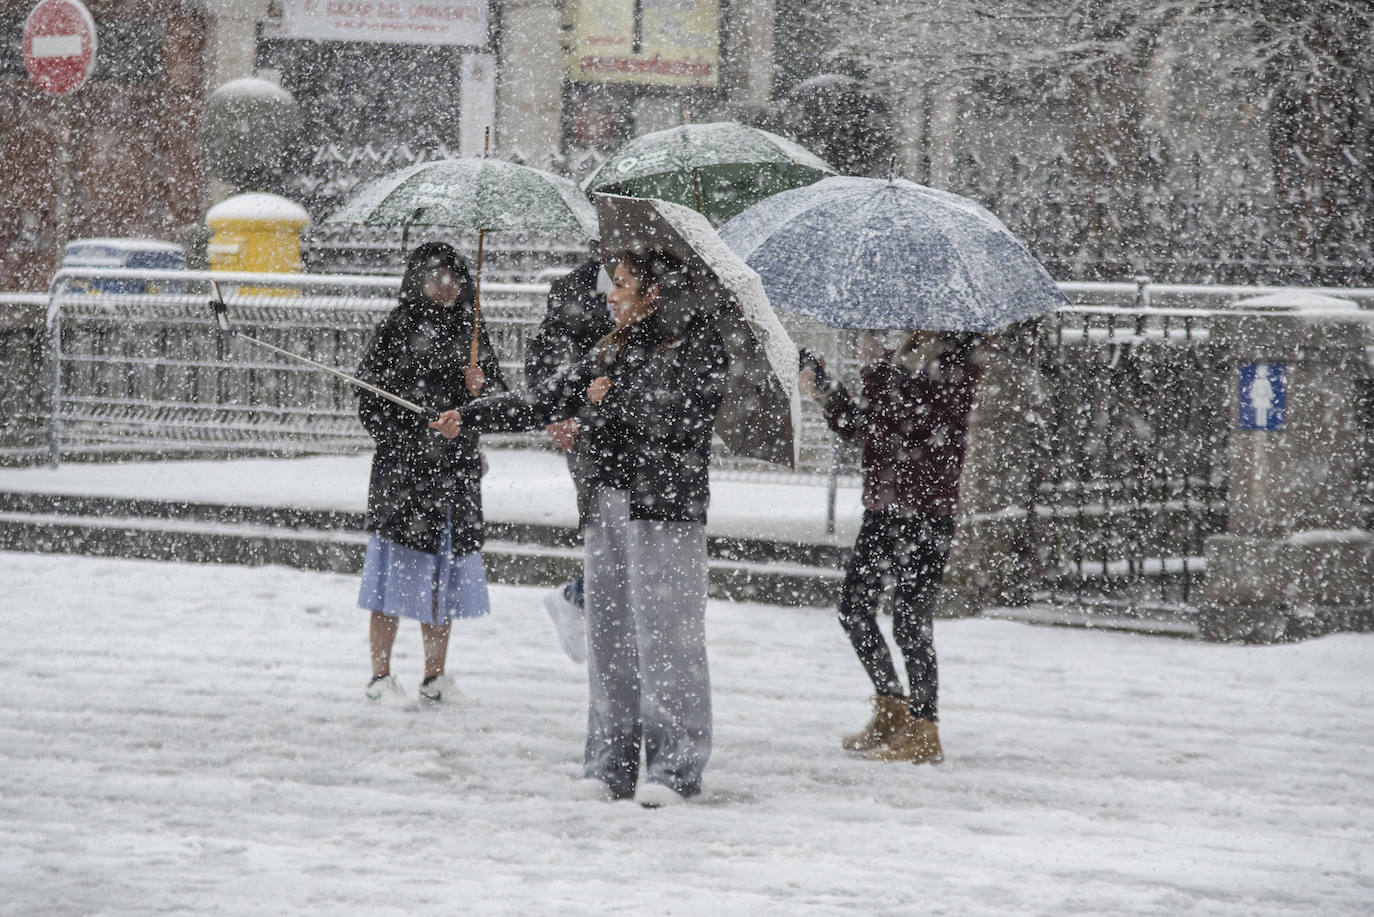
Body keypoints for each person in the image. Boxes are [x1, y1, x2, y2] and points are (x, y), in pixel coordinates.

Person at [440, 249, 728, 806]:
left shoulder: (697, 342)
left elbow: (678, 415)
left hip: (663, 507)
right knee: (611, 637)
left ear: (653, 293)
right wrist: (471, 415)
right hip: (605, 502)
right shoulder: (608, 347)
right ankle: (609, 763)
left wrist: (609, 400)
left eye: (622, 285)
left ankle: (675, 769)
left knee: (668, 639)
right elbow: (548, 398)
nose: (610, 294)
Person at [800, 329, 982, 764]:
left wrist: (878, 370)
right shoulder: (901, 362)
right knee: (854, 609)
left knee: (910, 620)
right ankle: (892, 707)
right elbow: (864, 428)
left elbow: (909, 426)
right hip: (884, 507)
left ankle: (925, 728)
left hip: (925, 512)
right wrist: (826, 389)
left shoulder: (955, 364)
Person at [355, 241, 507, 706]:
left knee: (441, 573)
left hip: (455, 475)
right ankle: (380, 676)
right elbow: (369, 402)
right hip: (403, 476)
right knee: (389, 577)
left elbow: (501, 403)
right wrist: (414, 435)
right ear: (418, 280)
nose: (447, 285)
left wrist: (483, 388)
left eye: (454, 277)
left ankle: (434, 675)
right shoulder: (396, 330)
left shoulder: (471, 331)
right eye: (438, 276)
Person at [524, 252, 614, 663]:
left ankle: (583, 598)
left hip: (641, 431)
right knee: (604, 528)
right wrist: (555, 413)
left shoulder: (662, 281)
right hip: (589, 428)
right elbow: (543, 355)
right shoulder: (574, 287)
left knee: (628, 535)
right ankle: (579, 598)